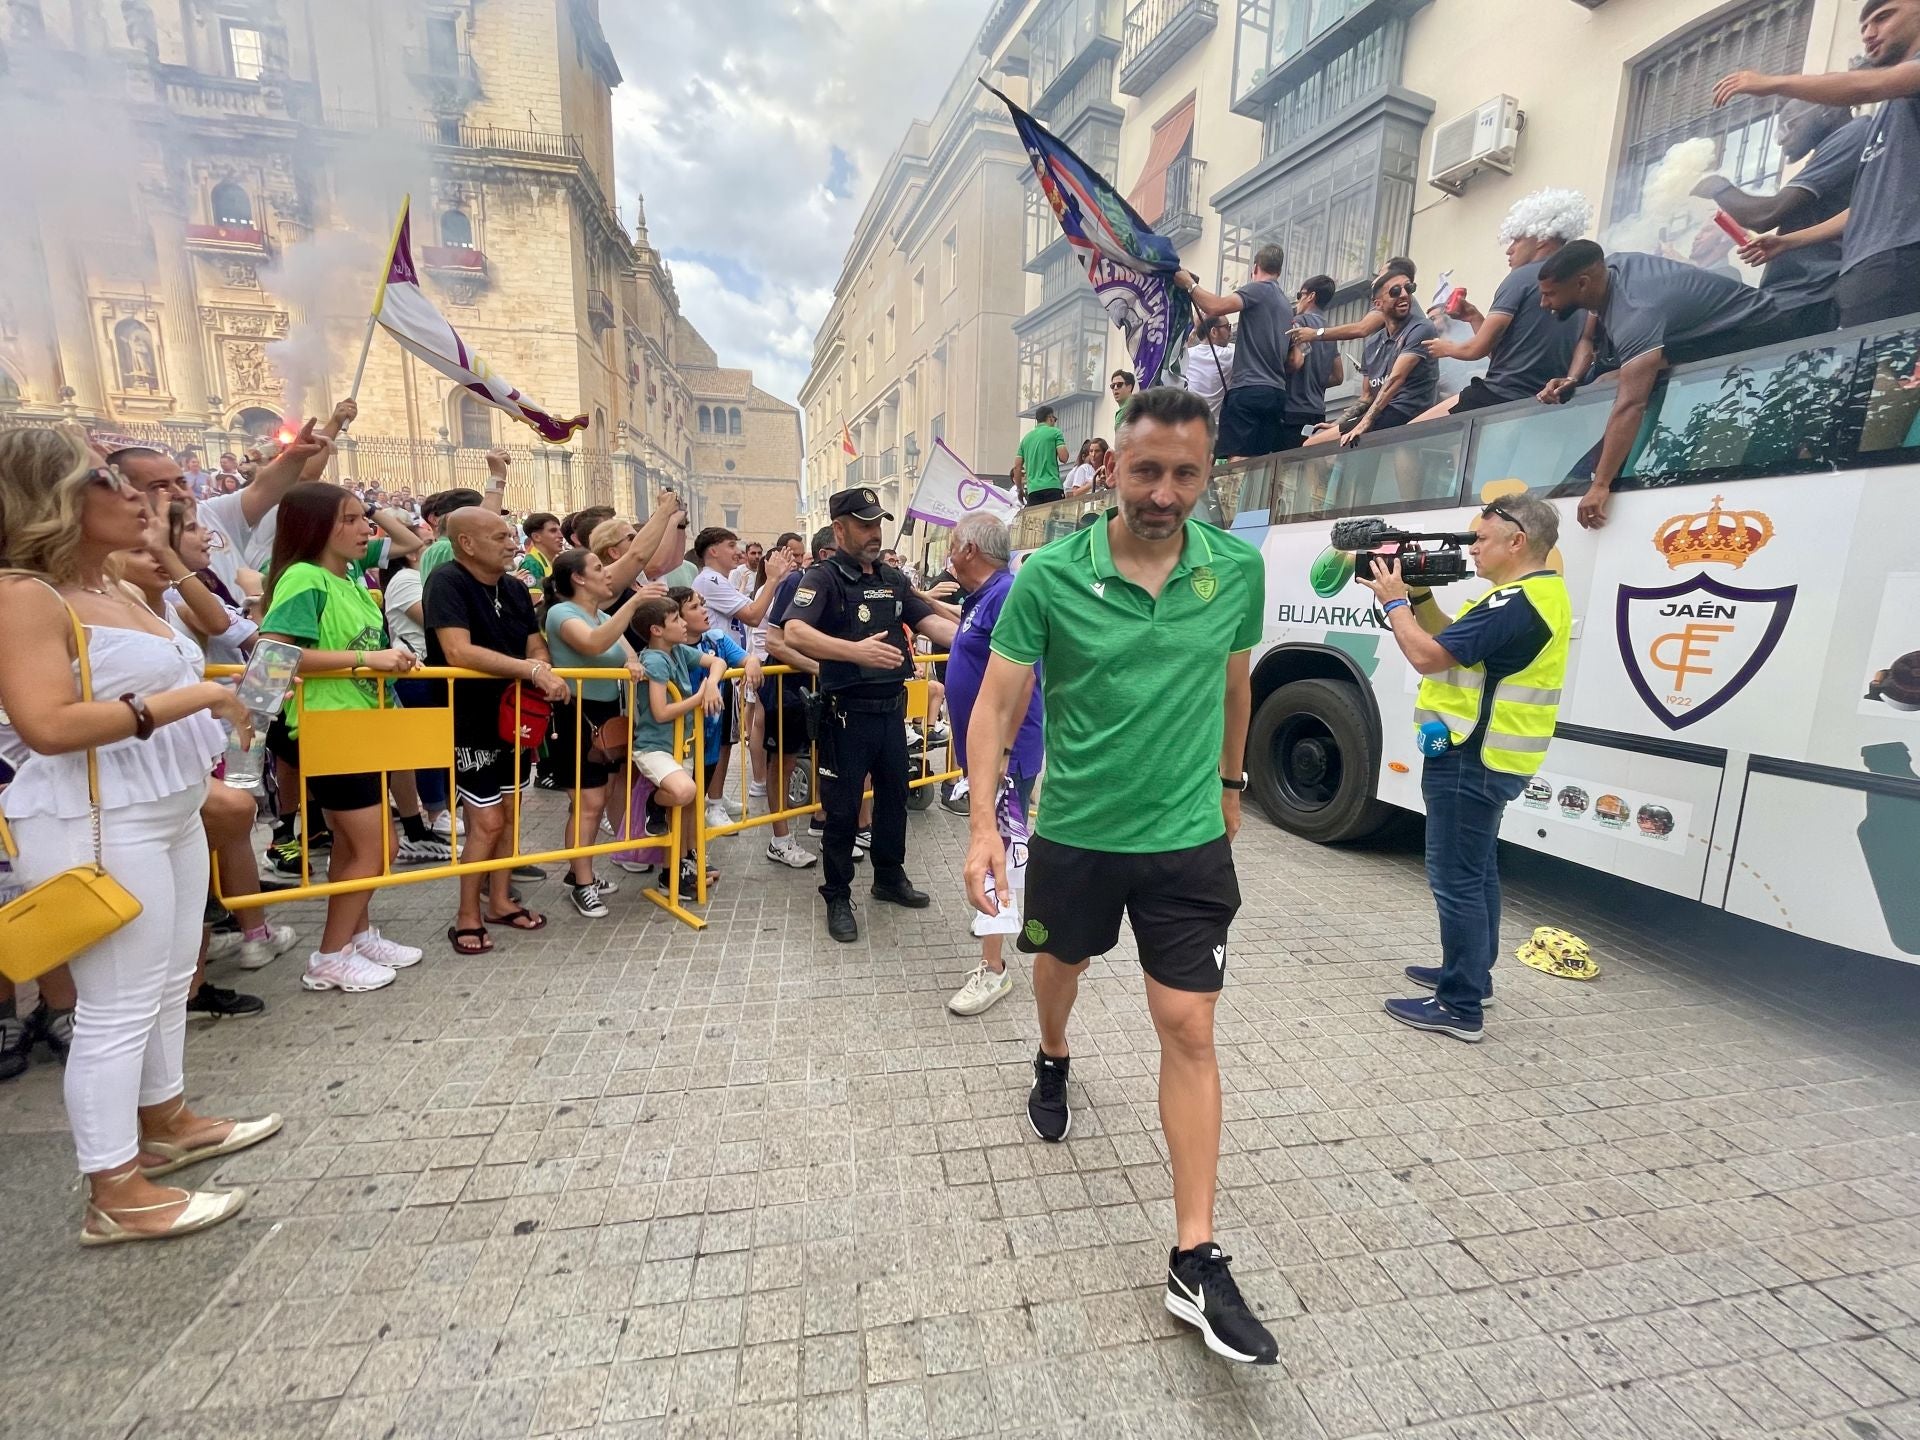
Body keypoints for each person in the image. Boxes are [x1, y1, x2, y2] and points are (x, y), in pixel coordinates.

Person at [961, 386, 1276, 1365]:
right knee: (1060, 972)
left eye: (1186, 473)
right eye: (1146, 471)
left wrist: (1232, 783)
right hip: (1078, 834)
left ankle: (1195, 1256)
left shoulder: (1236, 569)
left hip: (1186, 840)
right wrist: (982, 826)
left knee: (1189, 1025)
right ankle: (1053, 1053)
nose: (1165, 493)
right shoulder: (1051, 577)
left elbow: (1236, 684)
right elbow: (995, 707)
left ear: (1208, 474)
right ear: (1110, 471)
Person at [0, 427, 280, 1245]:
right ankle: (114, 1189)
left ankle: (166, 1120)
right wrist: (193, 701)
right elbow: (48, 724)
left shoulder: (110, 582)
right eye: (107, 481)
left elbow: (208, 624)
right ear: (54, 497)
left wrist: (162, 550)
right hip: (96, 816)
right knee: (115, 1006)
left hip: (162, 802)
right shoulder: (25, 594)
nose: (135, 495)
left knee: (163, 981)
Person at [1355, 495, 1571, 1042]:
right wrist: (1419, 596)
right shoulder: (1531, 595)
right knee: (1476, 872)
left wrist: (1394, 602)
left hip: (1470, 756)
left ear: (1517, 541)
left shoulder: (1517, 601)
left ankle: (1459, 1006)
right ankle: (1473, 975)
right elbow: (1451, 641)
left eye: (1481, 538)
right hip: (1489, 756)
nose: (1472, 548)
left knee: (1455, 880)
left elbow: (1426, 656)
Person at [260, 482, 425, 991]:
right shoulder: (303, 578)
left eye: (362, 518)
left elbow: (406, 541)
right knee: (377, 849)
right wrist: (365, 659)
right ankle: (330, 955)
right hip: (330, 726)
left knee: (359, 849)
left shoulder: (349, 576)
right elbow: (272, 656)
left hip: (360, 723)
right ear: (316, 528)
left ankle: (356, 936)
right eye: (349, 520)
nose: (364, 529)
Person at [780, 487, 958, 943]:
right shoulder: (823, 577)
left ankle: (889, 877)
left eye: (877, 523)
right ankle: (837, 895)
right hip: (846, 717)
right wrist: (853, 651)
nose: (874, 533)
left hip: (890, 713)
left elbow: (930, 622)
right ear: (839, 529)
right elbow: (794, 631)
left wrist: (985, 641)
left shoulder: (892, 578)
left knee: (894, 800)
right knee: (842, 811)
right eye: (864, 525)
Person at [1534, 240, 1793, 529]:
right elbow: (1589, 337)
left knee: (1632, 390)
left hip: (1761, 335)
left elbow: (1631, 405)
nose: (1544, 303)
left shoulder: (1637, 312)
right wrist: (1573, 378)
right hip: (1697, 337)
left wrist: (1600, 485)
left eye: (1550, 295)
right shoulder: (1609, 270)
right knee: (1615, 379)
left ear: (1582, 284)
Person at [1719, 0, 1920, 328]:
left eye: (1883, 18)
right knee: (1872, 362)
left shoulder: (1881, 104)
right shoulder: (1889, 113)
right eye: (1863, 27)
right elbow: (1867, 206)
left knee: (1894, 362)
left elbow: (1866, 86)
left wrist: (1772, 83)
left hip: (1904, 260)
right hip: (1868, 270)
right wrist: (1789, 242)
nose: (1869, 34)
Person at [425, 507, 572, 954]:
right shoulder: (446, 582)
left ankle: (501, 901)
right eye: (500, 537)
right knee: (486, 822)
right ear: (466, 543)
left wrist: (539, 664)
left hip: (514, 719)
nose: (511, 544)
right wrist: (532, 670)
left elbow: (534, 643)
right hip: (468, 720)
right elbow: (458, 651)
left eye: (511, 536)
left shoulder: (513, 587)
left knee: (509, 815)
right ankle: (466, 915)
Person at [942, 513, 1042, 1017]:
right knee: (995, 846)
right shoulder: (982, 596)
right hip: (989, 753)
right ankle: (995, 920)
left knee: (995, 847)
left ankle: (995, 967)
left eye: (951, 544)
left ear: (969, 550)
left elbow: (1023, 680)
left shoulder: (1005, 594)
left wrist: (1001, 754)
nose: (947, 552)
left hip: (1006, 754)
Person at [1694, 100, 1866, 339]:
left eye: (1791, 124)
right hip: (1801, 293)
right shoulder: (1836, 144)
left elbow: (1764, 216)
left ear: (1828, 110)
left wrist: (1717, 186)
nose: (1781, 139)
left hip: (1811, 293)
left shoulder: (1854, 133)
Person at [542, 548, 650, 917]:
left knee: (596, 799)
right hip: (575, 714)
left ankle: (580, 871)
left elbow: (627, 652)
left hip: (604, 715)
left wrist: (632, 662)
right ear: (578, 578)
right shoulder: (562, 613)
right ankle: (582, 883)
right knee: (587, 803)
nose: (607, 574)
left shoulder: (600, 614)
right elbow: (593, 643)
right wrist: (632, 605)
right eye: (599, 567)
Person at [1417, 189, 1591, 419]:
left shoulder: (1520, 278)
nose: (1509, 249)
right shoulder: (1579, 286)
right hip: (1547, 404)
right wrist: (1474, 317)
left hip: (1499, 397)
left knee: (1411, 434)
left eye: (1516, 240)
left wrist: (1445, 348)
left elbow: (1477, 349)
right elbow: (1503, 355)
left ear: (1541, 239)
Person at [689, 527, 792, 823]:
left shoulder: (721, 580)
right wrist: (772, 579)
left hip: (727, 668)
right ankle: (712, 804)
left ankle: (715, 795)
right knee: (716, 740)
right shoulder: (709, 580)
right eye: (731, 545)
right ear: (713, 551)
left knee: (726, 740)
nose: (738, 551)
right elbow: (754, 615)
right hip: (713, 671)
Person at [629, 595, 728, 896]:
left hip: (681, 745)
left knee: (684, 810)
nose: (684, 624)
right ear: (656, 630)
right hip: (656, 746)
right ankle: (652, 803)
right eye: (676, 620)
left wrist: (711, 684)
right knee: (685, 792)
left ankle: (674, 871)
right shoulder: (655, 659)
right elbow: (660, 712)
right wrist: (698, 698)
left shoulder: (678, 651)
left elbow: (718, 661)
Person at [1173, 244, 1296, 459]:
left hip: (1249, 391)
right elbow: (1293, 361)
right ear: (1279, 270)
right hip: (1276, 393)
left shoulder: (1258, 289)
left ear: (1255, 268)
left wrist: (1190, 285)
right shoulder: (1285, 305)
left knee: (1237, 460)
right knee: (1260, 462)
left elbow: (1216, 307)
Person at [759, 529, 831, 870]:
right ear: (826, 553)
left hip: (819, 690)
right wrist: (819, 667)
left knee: (824, 758)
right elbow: (774, 642)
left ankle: (822, 821)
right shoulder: (795, 582)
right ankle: (780, 840)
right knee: (783, 764)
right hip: (787, 690)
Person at [380, 545, 457, 855]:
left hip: (430, 671)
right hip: (412, 672)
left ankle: (433, 815)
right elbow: (437, 619)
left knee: (432, 745)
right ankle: (434, 812)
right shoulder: (405, 579)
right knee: (421, 746)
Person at [1304, 271, 1439, 447]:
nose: (1404, 294)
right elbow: (1366, 396)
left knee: (1313, 444)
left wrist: (1364, 423)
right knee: (1316, 443)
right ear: (1378, 304)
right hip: (1382, 414)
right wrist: (1338, 423)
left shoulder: (1422, 328)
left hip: (1408, 413)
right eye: (1395, 291)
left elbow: (1396, 379)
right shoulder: (1373, 343)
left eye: (1409, 288)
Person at [671, 583, 763, 829]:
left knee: (696, 800)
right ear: (677, 618)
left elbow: (746, 657)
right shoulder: (671, 650)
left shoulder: (716, 639)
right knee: (681, 803)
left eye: (702, 604)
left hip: (710, 739)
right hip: (679, 739)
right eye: (694, 607)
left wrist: (752, 663)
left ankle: (695, 846)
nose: (704, 610)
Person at [418, 451, 510, 581]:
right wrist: (497, 476)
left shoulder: (437, 551)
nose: (494, 521)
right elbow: (483, 528)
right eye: (475, 514)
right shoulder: (444, 548)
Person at [1283, 274, 1345, 444]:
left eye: (1300, 295)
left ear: (1311, 296)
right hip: (1317, 412)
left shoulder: (1298, 322)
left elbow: (1295, 361)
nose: (1298, 301)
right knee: (1309, 457)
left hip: (1292, 410)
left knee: (1286, 459)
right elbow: (1338, 376)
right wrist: (1315, 381)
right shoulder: (1328, 332)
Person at [1182, 316, 1235, 425]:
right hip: (1219, 424)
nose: (1230, 333)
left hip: (1192, 422)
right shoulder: (1228, 355)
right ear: (1214, 332)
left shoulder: (1188, 355)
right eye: (1227, 327)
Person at [1012, 407, 1069, 505]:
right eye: (1054, 419)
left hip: (1033, 490)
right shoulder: (1055, 432)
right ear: (1050, 417)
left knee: (1036, 515)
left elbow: (1017, 467)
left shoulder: (1025, 439)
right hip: (1053, 487)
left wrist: (1019, 490)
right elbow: (1064, 458)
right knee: (1054, 515)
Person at [517, 511, 564, 599]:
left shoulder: (558, 559)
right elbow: (535, 601)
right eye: (553, 531)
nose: (561, 535)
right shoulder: (531, 564)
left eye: (560, 530)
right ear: (536, 537)